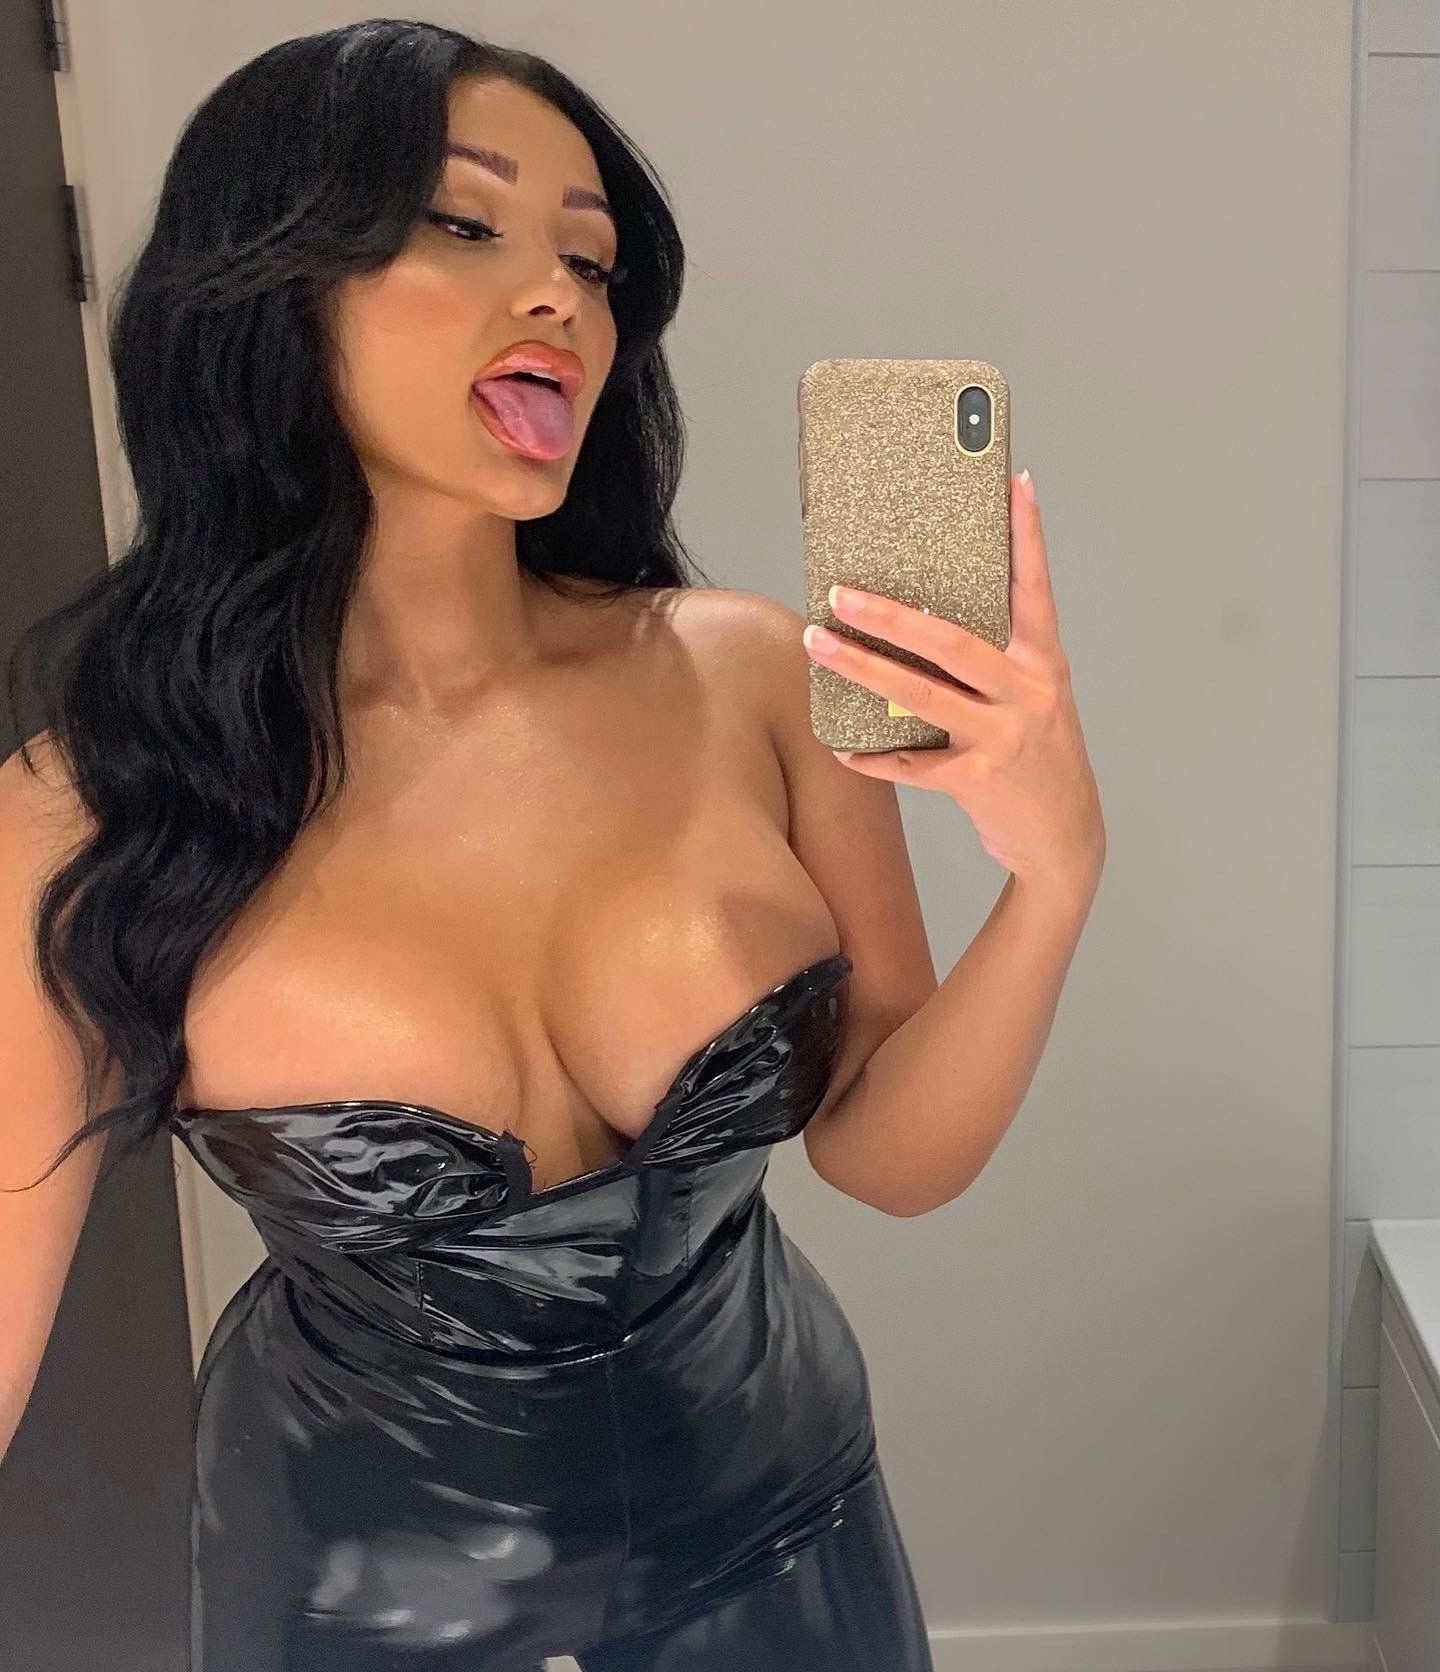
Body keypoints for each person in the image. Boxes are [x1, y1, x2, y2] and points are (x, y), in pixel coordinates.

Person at [0, 21, 941, 1669]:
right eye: (464, 221)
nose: (560, 297)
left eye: (592, 259)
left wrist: (1056, 865)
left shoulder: (743, 672)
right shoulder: (89, 808)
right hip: (357, 1584)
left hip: (777, 1507)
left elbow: (892, 1132)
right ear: (271, 278)